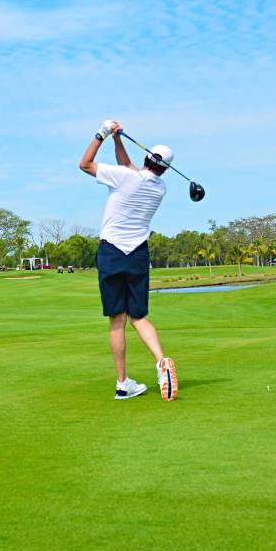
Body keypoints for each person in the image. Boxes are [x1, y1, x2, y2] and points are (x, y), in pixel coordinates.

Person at [79, 119, 179, 401]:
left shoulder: (124, 177)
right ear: (164, 169)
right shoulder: (159, 188)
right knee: (138, 316)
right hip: (138, 254)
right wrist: (117, 140)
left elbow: (84, 164)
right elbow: (129, 168)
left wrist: (102, 133)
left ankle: (123, 383)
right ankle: (161, 361)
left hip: (111, 252)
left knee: (117, 320)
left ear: (146, 157)